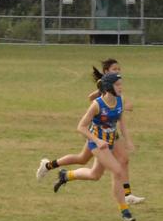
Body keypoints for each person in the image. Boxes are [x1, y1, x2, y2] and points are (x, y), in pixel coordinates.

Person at [36, 59, 144, 204]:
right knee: (87, 161)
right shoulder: (105, 87)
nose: (117, 72)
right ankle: (49, 166)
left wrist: (124, 107)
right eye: (114, 69)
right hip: (97, 134)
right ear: (106, 72)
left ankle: (126, 195)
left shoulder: (116, 87)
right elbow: (91, 99)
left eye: (119, 69)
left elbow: (123, 105)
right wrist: (102, 95)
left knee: (118, 161)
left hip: (111, 133)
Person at [52, 73, 137, 221]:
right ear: (109, 87)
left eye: (121, 84)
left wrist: (128, 141)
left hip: (109, 142)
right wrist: (97, 141)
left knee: (94, 175)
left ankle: (66, 175)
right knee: (117, 170)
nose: (121, 87)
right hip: (97, 144)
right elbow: (81, 127)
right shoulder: (97, 104)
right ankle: (125, 212)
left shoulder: (120, 101)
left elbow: (121, 123)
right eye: (118, 85)